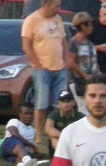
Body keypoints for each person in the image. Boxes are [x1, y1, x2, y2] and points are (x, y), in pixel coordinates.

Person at [22, 0, 68, 151]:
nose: (59, 8)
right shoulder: (31, 20)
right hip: (42, 68)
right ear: (46, 4)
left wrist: (66, 61)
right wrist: (37, 65)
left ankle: (54, 132)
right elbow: (26, 45)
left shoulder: (58, 19)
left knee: (59, 104)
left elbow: (63, 41)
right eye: (56, 5)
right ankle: (38, 135)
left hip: (60, 68)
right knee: (41, 103)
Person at [66, 11, 98, 114]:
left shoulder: (90, 43)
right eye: (89, 25)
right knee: (83, 107)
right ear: (82, 26)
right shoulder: (73, 42)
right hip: (78, 80)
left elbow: (94, 62)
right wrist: (84, 75)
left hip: (91, 79)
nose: (91, 28)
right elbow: (71, 62)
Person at [0, 101, 42, 166]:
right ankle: (28, 160)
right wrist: (33, 146)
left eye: (31, 113)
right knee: (15, 139)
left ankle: (21, 165)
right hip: (7, 146)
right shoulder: (14, 121)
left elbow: (27, 148)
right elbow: (15, 134)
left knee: (23, 150)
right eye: (26, 113)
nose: (29, 116)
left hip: (17, 152)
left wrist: (36, 152)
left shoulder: (33, 130)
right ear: (20, 114)